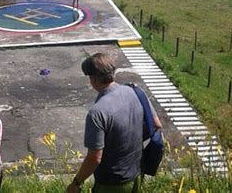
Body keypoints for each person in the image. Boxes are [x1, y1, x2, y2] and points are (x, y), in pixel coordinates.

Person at [66, 53, 162, 193]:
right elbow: (156, 124)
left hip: (112, 184)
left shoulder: (97, 113)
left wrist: (76, 183)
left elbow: (94, 158)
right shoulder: (135, 91)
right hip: (137, 174)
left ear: (93, 79)